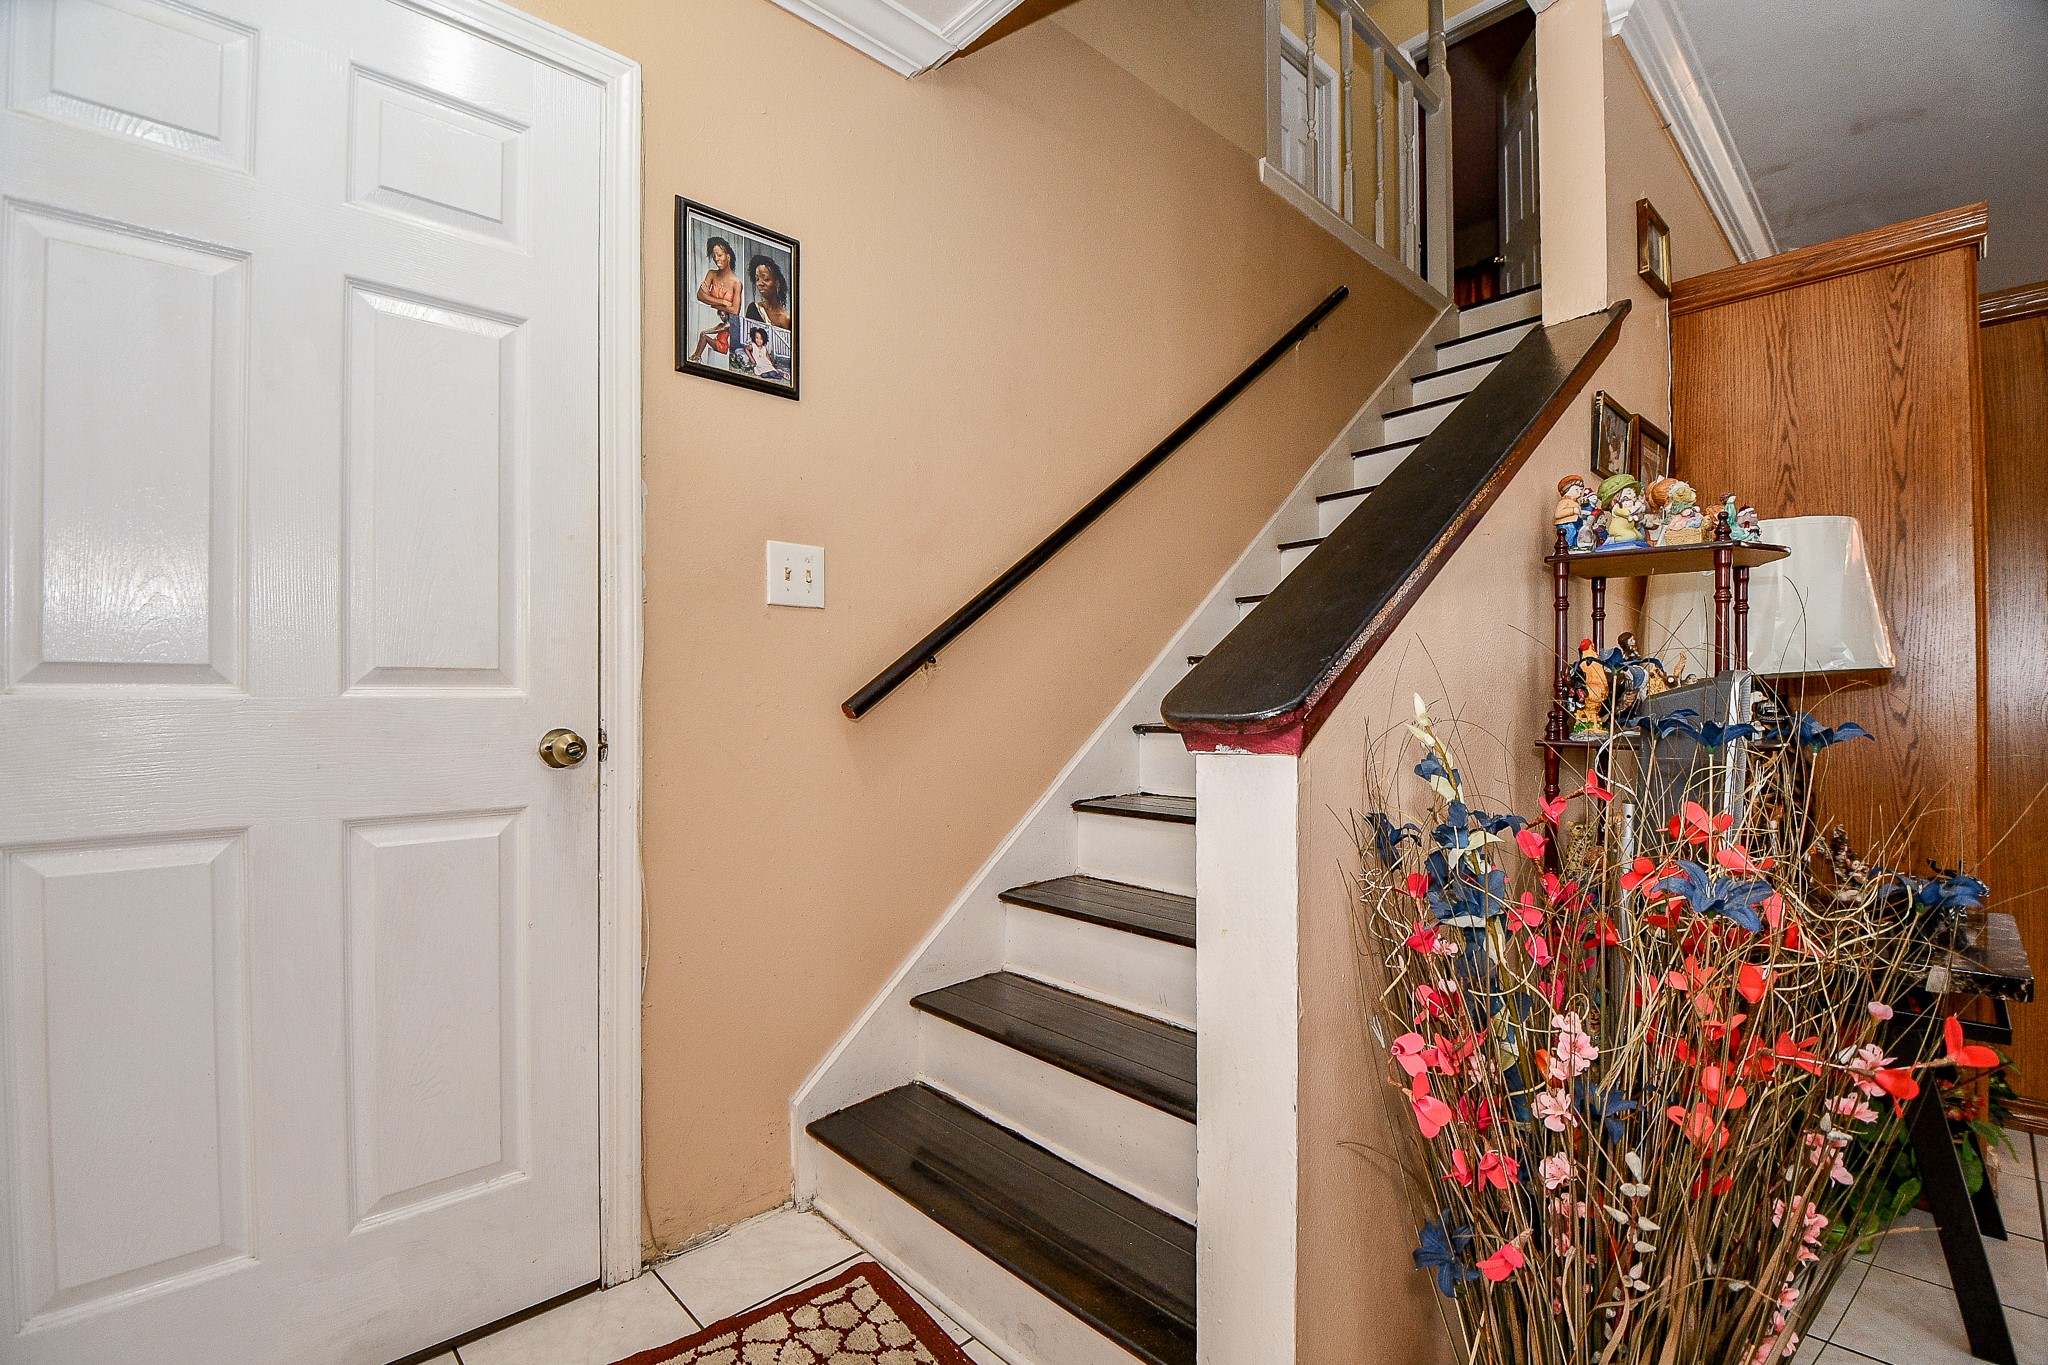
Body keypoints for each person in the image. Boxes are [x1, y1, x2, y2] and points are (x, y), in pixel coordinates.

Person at [688, 237, 742, 363]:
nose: (716, 259)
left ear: (728, 257)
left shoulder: (736, 283)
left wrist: (709, 299)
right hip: (708, 316)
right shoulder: (711, 274)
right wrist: (722, 302)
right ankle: (697, 356)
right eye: (714, 256)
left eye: (719, 255)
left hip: (724, 344)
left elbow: (734, 310)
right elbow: (700, 296)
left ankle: (697, 356)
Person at [745, 254, 793, 332]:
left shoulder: (786, 319)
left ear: (777, 283)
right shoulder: (754, 309)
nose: (759, 283)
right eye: (757, 279)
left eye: (765, 279)